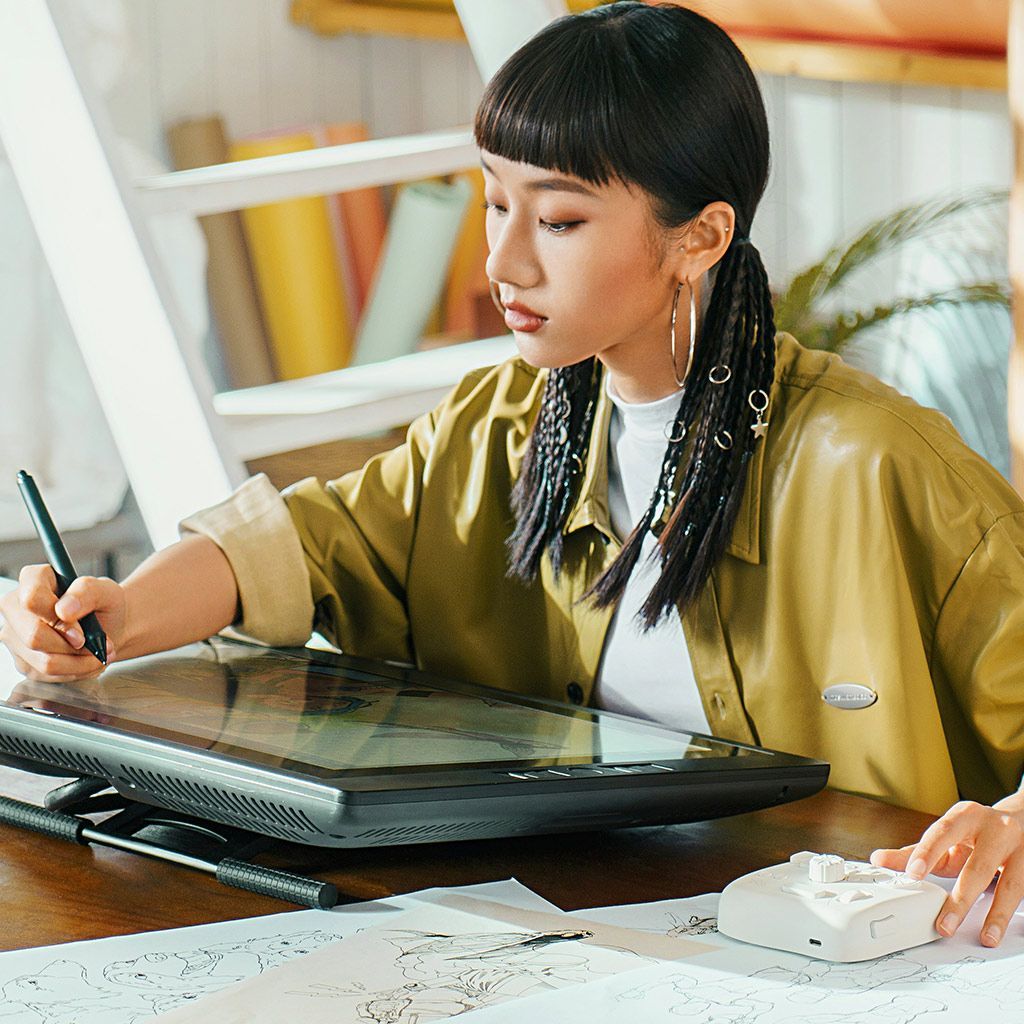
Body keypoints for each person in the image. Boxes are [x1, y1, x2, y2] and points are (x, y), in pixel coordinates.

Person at [2, 2, 1023, 947]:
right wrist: (118, 615)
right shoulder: (496, 425)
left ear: (701, 236)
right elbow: (302, 546)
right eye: (496, 203)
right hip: (579, 930)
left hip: (849, 951)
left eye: (560, 219)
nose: (505, 261)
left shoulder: (878, 464)